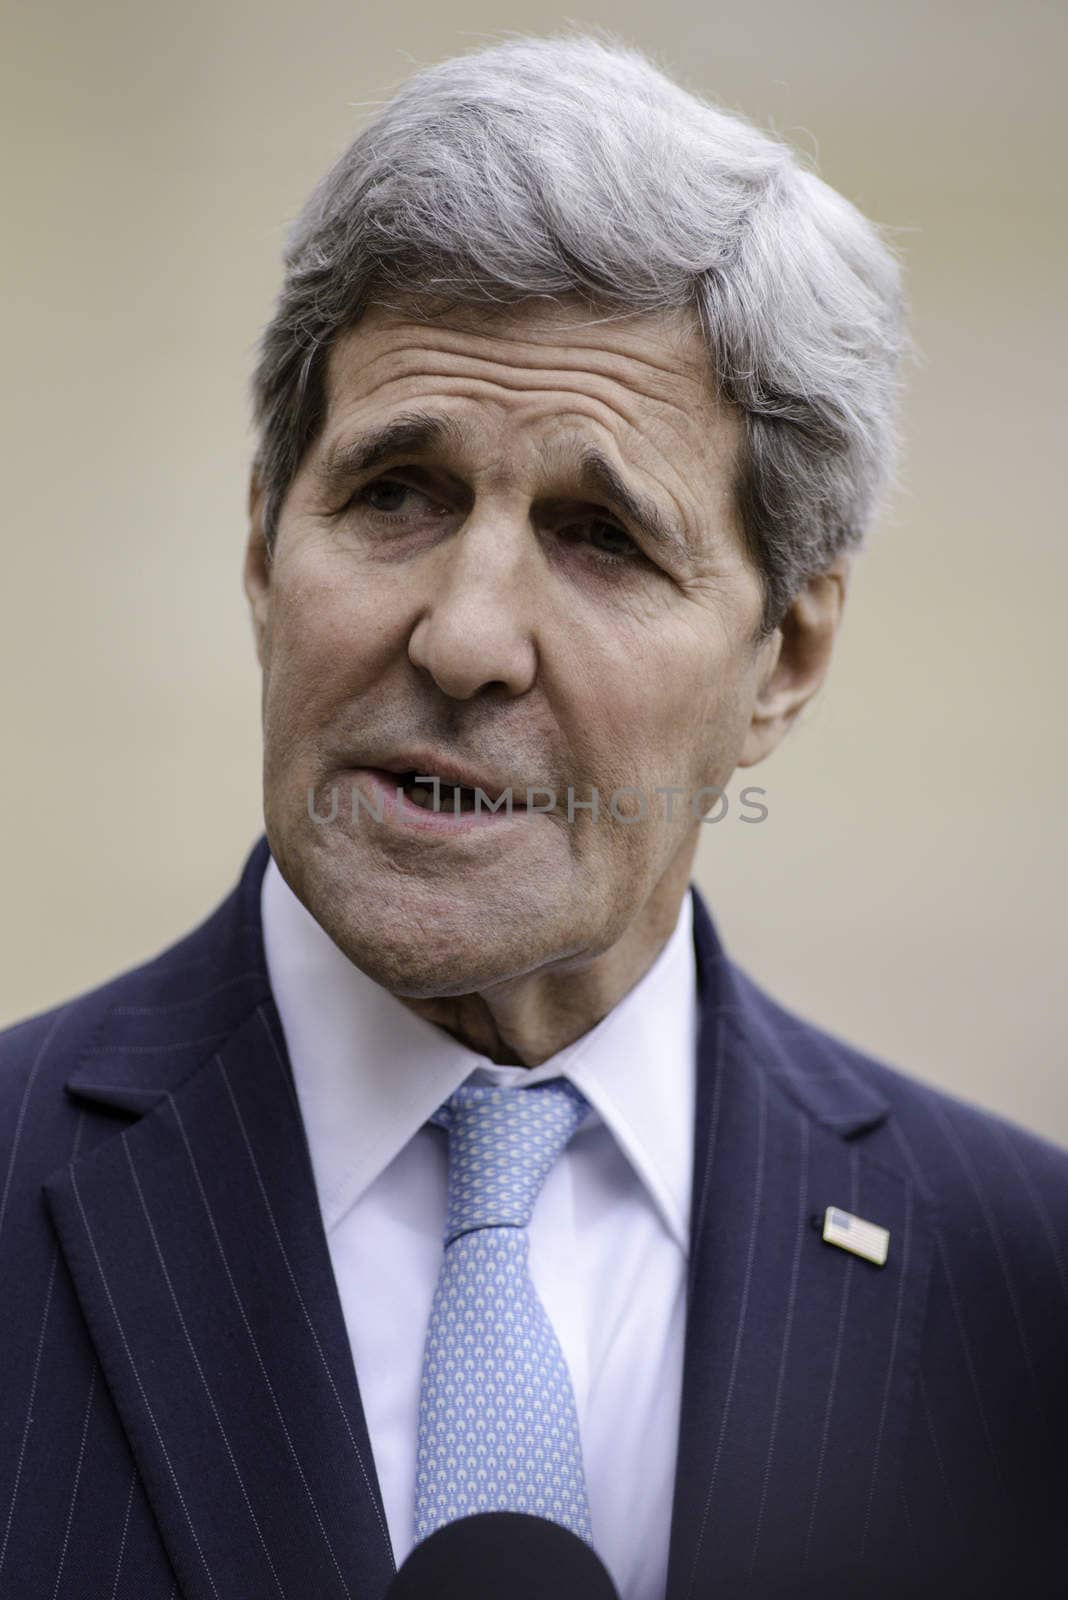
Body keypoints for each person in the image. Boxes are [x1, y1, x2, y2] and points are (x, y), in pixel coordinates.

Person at [1, 31, 1065, 1600]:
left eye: (600, 537)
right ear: (260, 551)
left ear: (788, 659)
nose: (465, 638)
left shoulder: (1025, 1293)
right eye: (394, 495)